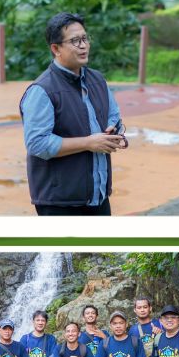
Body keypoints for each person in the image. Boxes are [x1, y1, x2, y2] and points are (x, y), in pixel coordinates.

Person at [19, 12, 127, 216]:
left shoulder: (98, 80)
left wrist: (114, 131)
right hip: (59, 203)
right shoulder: (42, 90)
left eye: (85, 38)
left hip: (99, 195)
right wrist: (88, 142)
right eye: (75, 41)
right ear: (55, 48)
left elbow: (114, 116)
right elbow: (37, 143)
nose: (83, 45)